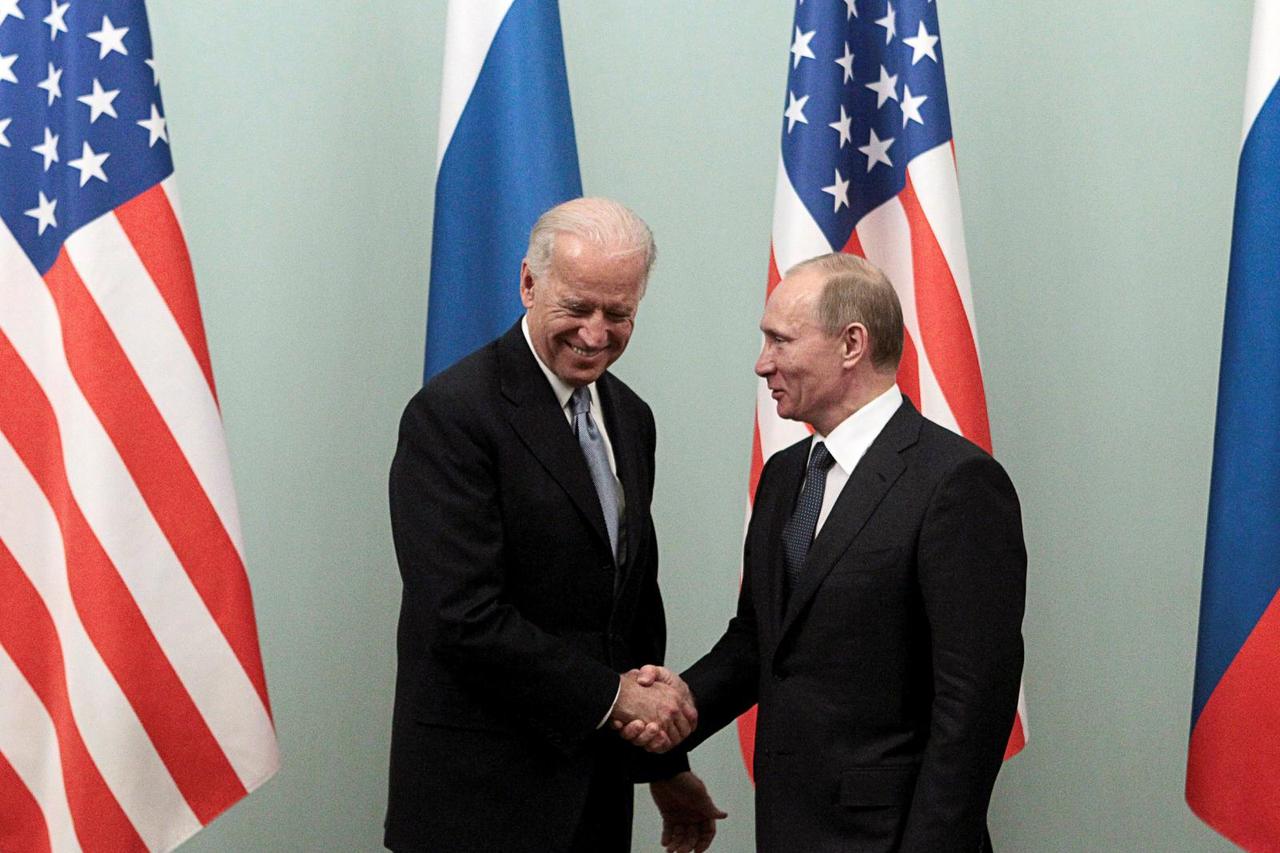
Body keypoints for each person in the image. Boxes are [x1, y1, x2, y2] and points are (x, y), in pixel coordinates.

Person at [625, 252, 1026, 852]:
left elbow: (974, 702)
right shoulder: (788, 474)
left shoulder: (956, 483)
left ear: (851, 344)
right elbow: (761, 642)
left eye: (780, 341)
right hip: (789, 827)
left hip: (892, 837)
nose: (763, 364)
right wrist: (676, 709)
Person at [384, 197, 723, 853]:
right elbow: (463, 614)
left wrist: (661, 765)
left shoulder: (630, 415)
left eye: (619, 313)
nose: (597, 333)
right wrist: (615, 699)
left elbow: (627, 608)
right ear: (528, 284)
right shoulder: (453, 415)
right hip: (478, 807)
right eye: (579, 307)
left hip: (593, 799)